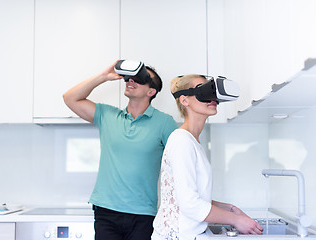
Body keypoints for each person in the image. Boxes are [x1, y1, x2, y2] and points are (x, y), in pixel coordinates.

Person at [63, 60, 178, 240]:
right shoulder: (108, 116)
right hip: (106, 211)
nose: (131, 81)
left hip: (143, 214)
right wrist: (103, 77)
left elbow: (181, 162)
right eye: (129, 77)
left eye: (140, 79)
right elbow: (70, 98)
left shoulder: (164, 123)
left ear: (151, 91)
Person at [152, 74, 263, 240]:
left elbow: (187, 195)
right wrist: (237, 220)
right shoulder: (182, 141)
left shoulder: (192, 141)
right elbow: (190, 204)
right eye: (203, 90)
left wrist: (229, 208)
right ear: (184, 100)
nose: (212, 98)